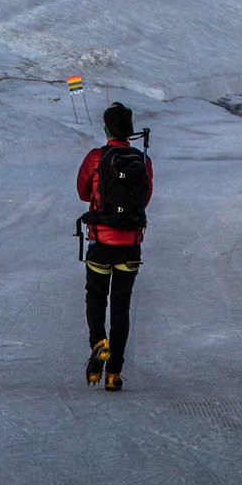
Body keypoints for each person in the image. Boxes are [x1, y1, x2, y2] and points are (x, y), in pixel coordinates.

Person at [77, 101, 152, 390]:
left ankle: (99, 342)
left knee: (95, 297)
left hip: (100, 241)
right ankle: (114, 374)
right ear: (130, 129)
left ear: (107, 128)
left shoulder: (96, 157)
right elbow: (144, 198)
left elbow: (83, 192)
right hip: (130, 244)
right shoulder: (142, 159)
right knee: (121, 306)